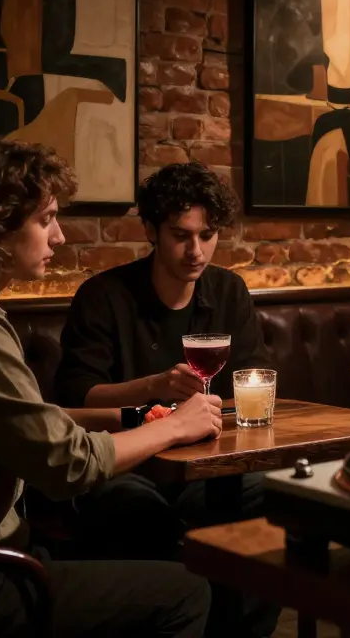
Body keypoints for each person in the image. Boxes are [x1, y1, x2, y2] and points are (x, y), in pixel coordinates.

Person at [0, 138, 221, 636]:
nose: (58, 237)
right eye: (46, 219)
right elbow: (65, 464)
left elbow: (30, 422)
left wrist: (138, 418)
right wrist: (173, 427)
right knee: (185, 593)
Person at [52, 161, 277, 637]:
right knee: (135, 512)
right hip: (127, 464)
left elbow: (248, 384)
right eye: (181, 235)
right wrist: (152, 387)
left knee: (276, 500)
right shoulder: (103, 296)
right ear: (151, 230)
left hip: (209, 464)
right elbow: (75, 398)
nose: (196, 251)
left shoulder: (228, 290)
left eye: (208, 234)